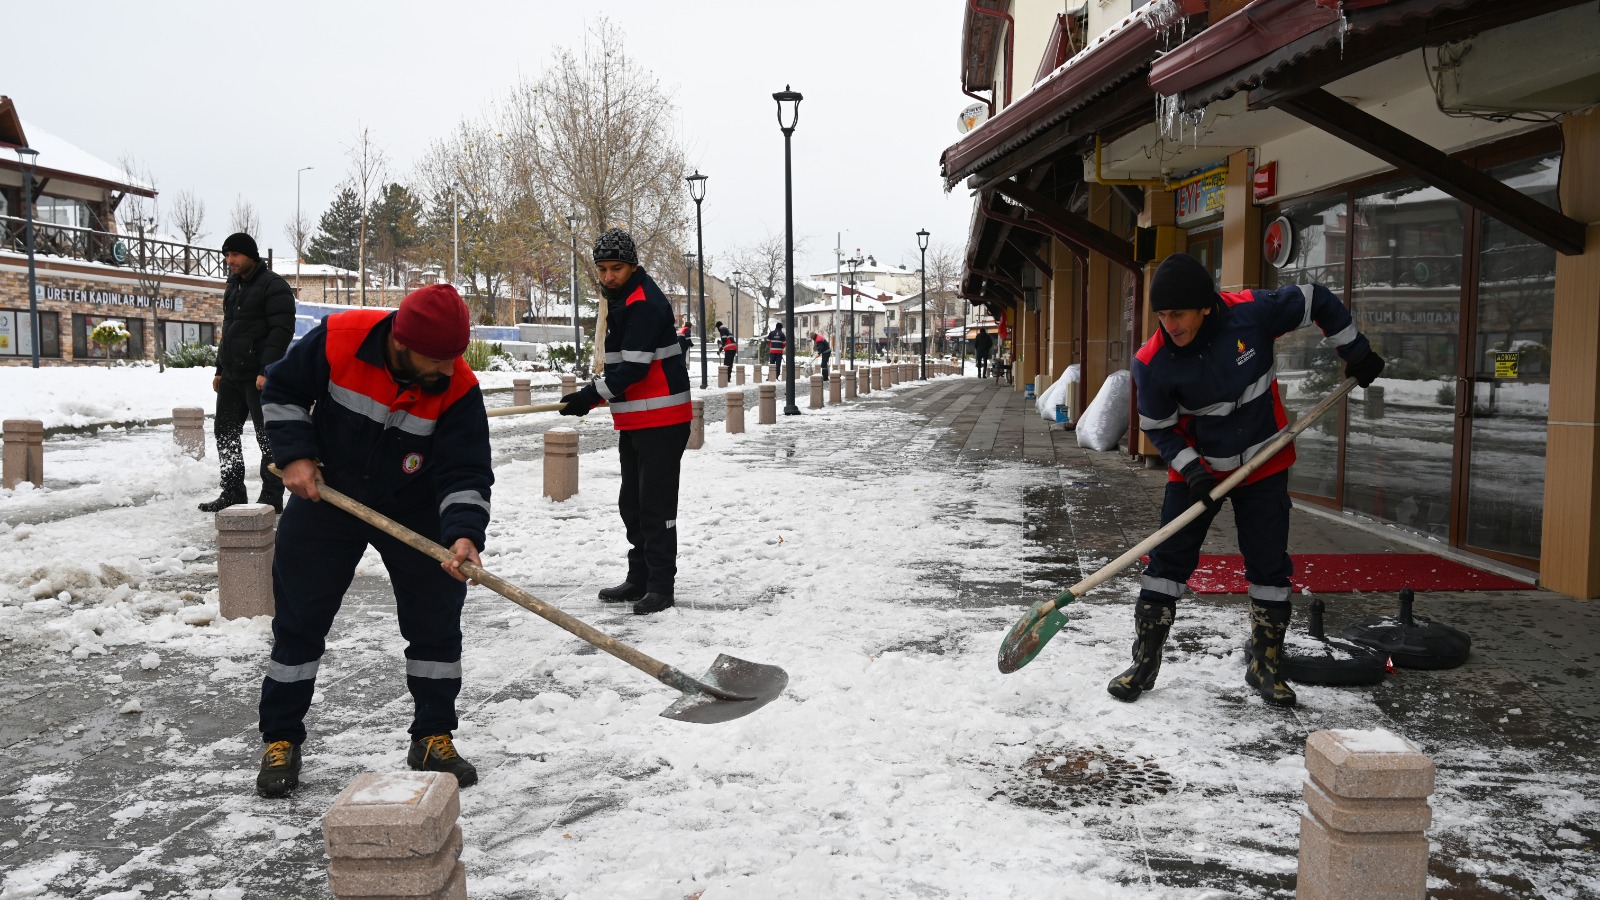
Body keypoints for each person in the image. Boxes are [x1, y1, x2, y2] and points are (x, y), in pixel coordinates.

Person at [1111, 253, 1384, 709]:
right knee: (1168, 561)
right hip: (1198, 469)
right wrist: (1193, 467)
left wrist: (1354, 350)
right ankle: (1145, 661)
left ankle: (1265, 663)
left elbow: (1317, 299)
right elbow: (1157, 425)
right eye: (1161, 315)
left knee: (1269, 564)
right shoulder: (1152, 362)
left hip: (1264, 461)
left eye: (1177, 313)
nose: (1168, 324)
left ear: (1203, 306)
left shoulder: (1251, 312)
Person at [253, 283, 492, 798]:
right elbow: (282, 390)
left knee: (436, 620)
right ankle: (281, 738)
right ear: (401, 344)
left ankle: (433, 735)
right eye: (438, 359)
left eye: (455, 358)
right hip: (328, 497)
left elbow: (465, 471)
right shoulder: (340, 339)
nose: (448, 370)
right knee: (299, 621)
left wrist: (465, 534)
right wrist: (295, 455)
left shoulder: (459, 386)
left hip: (415, 504)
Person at [560, 229, 691, 616]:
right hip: (637, 421)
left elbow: (633, 369)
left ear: (632, 265)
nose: (608, 276)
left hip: (663, 421)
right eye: (602, 269)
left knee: (656, 504)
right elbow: (624, 369)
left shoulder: (643, 302)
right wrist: (594, 393)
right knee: (632, 503)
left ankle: (660, 585)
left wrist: (589, 396)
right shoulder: (622, 301)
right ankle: (639, 577)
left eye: (616, 268)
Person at [200, 232, 295, 513]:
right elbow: (228, 331)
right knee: (225, 433)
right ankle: (232, 491)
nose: (230, 260)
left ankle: (271, 496)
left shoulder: (273, 285)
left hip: (259, 376)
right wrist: (220, 368)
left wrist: (268, 370)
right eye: (227, 255)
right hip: (232, 374)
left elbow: (281, 332)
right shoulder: (234, 286)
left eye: (235, 255)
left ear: (251, 256)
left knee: (268, 438)